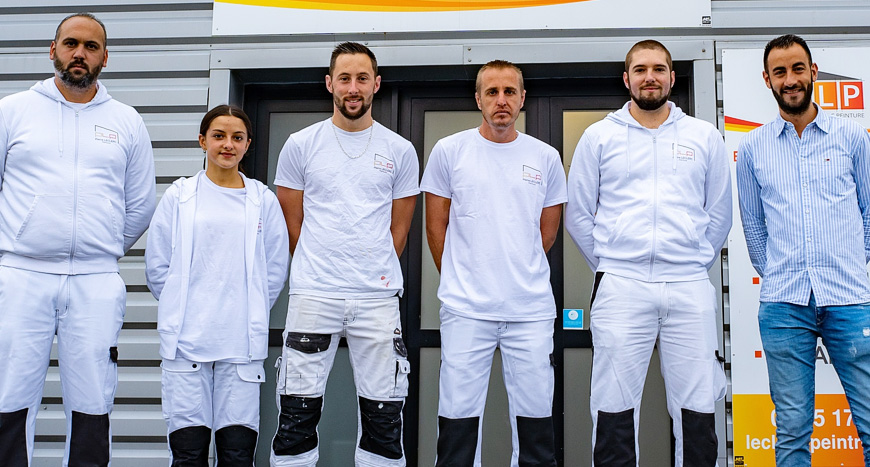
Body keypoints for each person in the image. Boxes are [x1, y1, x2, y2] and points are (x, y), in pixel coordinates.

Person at [565, 40, 731, 466]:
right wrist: (615, 266)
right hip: (622, 286)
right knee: (613, 403)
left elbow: (719, 216)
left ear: (673, 78)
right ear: (627, 79)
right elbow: (579, 215)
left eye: (659, 69)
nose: (650, 77)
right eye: (640, 69)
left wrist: (689, 262)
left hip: (689, 287)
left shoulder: (703, 136)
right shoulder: (599, 136)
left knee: (698, 405)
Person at [0, 12, 156, 466]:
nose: (79, 54)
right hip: (22, 273)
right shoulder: (13, 111)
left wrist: (99, 244)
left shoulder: (126, 121)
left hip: (95, 278)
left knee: (93, 396)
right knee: (10, 390)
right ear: (53, 50)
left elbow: (140, 204)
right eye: (71, 44)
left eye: (91, 47)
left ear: (105, 57)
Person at [270, 42, 419, 467]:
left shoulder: (400, 151)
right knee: (297, 413)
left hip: (377, 300)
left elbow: (399, 230)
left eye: (361, 78)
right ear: (329, 83)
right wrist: (323, 266)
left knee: (385, 416)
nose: (353, 88)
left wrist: (368, 266)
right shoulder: (301, 145)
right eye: (344, 78)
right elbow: (292, 227)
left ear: (376, 84)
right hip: (314, 296)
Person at [422, 59, 566, 467]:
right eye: (492, 92)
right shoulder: (450, 151)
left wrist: (515, 270)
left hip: (530, 312)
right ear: (478, 99)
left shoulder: (546, 157)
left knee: (537, 424)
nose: (501, 101)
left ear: (523, 98)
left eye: (509, 92)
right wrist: (465, 278)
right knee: (457, 422)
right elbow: (437, 230)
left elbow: (546, 234)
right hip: (466, 310)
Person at [736, 34, 870, 465]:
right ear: (767, 79)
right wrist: (776, 274)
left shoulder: (852, 137)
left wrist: (850, 264)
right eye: (780, 72)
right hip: (783, 305)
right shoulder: (753, 147)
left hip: (850, 300)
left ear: (813, 72)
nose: (790, 79)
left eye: (797, 69)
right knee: (792, 431)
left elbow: (868, 213)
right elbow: (753, 227)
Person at [145, 105, 289, 465]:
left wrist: (250, 308)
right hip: (187, 344)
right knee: (188, 452)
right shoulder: (179, 197)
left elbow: (274, 269)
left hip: (240, 346)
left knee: (237, 453)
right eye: (219, 136)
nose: (228, 144)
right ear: (202, 141)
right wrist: (183, 306)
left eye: (237, 137)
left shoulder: (262, 201)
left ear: (247, 145)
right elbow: (157, 266)